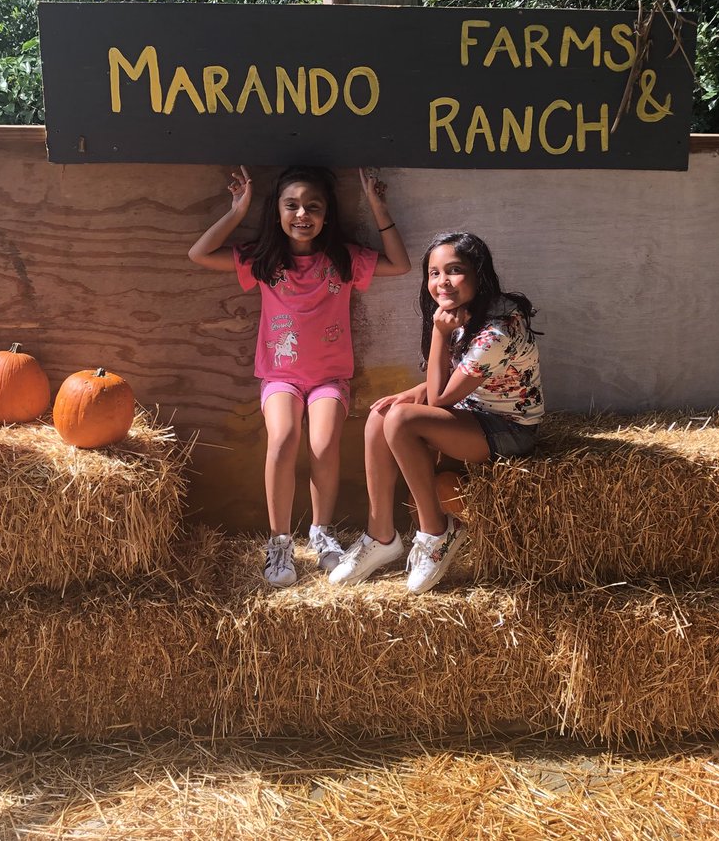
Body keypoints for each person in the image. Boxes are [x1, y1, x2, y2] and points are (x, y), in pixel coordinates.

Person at [189, 165, 410, 587]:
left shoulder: (342, 260)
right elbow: (199, 254)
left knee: (324, 444)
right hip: (280, 377)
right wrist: (238, 211)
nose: (302, 214)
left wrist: (378, 206)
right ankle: (279, 543)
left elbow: (400, 264)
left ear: (327, 215)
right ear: (277, 212)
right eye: (291, 205)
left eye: (313, 206)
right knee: (284, 439)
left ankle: (321, 533)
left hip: (329, 379)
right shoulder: (264, 259)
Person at [331, 231, 544, 594]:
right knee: (383, 414)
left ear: (479, 274)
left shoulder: (497, 330)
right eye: (433, 273)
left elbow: (442, 398)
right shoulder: (465, 311)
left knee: (400, 419)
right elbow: (446, 383)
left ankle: (436, 532)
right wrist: (408, 394)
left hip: (509, 429)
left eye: (455, 270)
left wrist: (439, 335)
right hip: (470, 414)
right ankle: (381, 535)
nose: (442, 281)